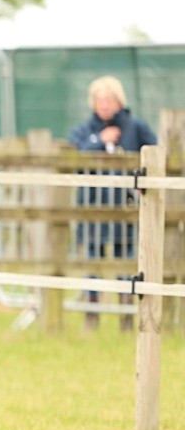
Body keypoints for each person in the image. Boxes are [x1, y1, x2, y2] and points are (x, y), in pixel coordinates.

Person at [67, 75, 157, 329]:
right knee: (92, 263)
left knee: (125, 263)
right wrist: (99, 140)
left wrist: (143, 185)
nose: (104, 104)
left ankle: (127, 316)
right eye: (99, 99)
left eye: (109, 99)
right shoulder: (86, 130)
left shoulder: (135, 127)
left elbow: (156, 154)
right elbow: (73, 158)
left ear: (119, 101)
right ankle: (92, 315)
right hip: (92, 210)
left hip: (124, 210)